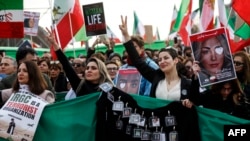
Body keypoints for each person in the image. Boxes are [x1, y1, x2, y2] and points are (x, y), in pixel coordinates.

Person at [119, 16, 194, 108]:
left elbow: (199, 102)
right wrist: (126, 35)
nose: (162, 61)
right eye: (159, 59)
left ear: (175, 60)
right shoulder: (155, 77)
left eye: (166, 58)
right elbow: (137, 61)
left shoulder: (188, 83)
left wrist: (191, 102)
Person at [46, 28, 113, 97]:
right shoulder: (80, 86)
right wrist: (54, 44)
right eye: (87, 68)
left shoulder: (109, 89)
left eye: (93, 68)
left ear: (102, 72)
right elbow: (66, 65)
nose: (89, 70)